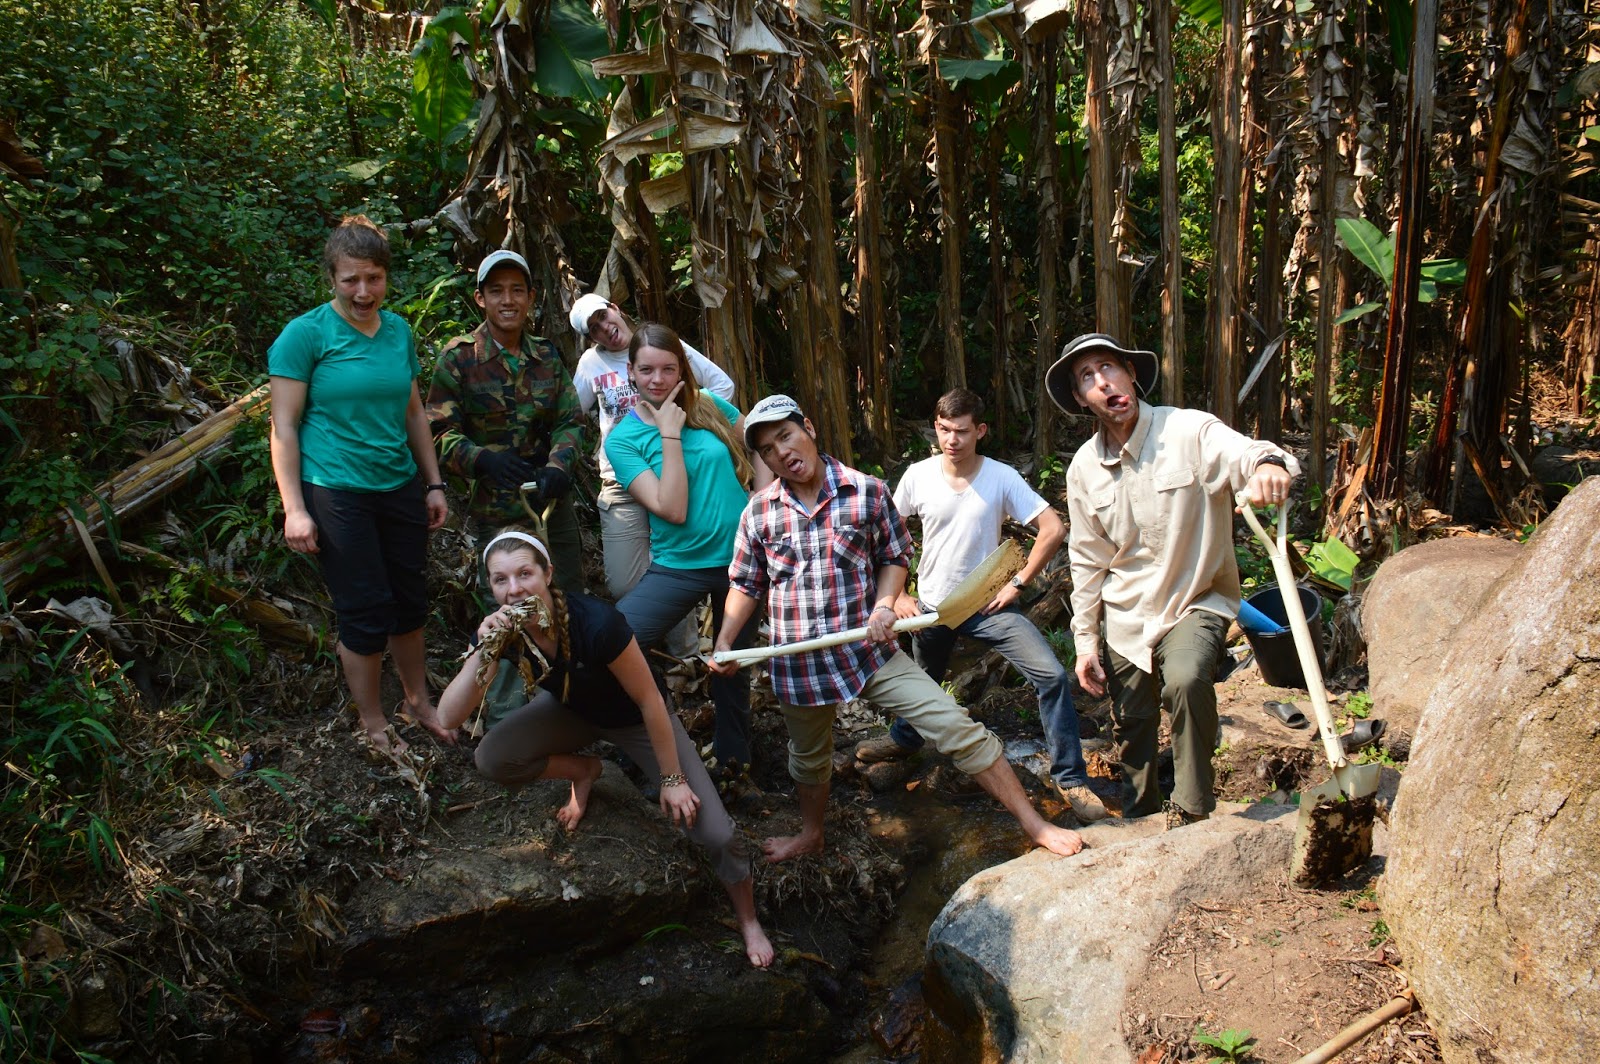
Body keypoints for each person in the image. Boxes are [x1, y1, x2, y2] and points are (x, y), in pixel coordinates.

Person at [709, 395, 1085, 862]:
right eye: (767, 449)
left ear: (807, 427)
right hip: (799, 660)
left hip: (870, 652)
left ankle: (1036, 823)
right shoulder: (759, 512)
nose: (780, 452)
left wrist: (886, 603)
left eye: (785, 435)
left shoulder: (866, 491)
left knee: (957, 727)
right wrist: (725, 641)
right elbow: (745, 585)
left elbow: (893, 555)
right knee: (808, 758)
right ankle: (811, 833)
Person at [436, 531, 773, 967]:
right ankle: (584, 770)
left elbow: (650, 699)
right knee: (493, 757)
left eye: (524, 573)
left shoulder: (596, 621)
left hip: (637, 719)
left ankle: (748, 920)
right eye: (500, 580)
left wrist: (672, 780)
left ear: (548, 574)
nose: (514, 588)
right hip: (572, 710)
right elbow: (447, 717)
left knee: (717, 833)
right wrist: (484, 649)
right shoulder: (507, 629)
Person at [1047, 333, 1300, 827]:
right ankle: (1140, 817)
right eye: (1087, 377)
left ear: (1132, 374)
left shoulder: (1188, 430)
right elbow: (1086, 561)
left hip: (1195, 597)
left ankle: (1191, 813)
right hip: (1125, 614)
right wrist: (1084, 642)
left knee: (1185, 679)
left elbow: (1246, 453)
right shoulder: (1084, 469)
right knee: (1134, 720)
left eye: (1110, 367)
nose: (1104, 383)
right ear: (1080, 399)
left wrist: (1270, 465)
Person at [852, 388, 1107, 823]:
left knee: (1049, 674)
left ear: (980, 431)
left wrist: (1021, 583)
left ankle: (1070, 778)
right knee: (924, 685)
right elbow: (884, 541)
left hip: (987, 606)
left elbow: (1052, 527)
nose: (952, 440)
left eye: (963, 431)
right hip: (931, 607)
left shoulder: (1001, 477)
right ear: (936, 428)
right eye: (945, 430)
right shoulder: (917, 476)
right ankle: (905, 740)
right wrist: (897, 596)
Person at [267, 215, 453, 756]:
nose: (363, 292)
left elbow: (414, 413)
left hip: (396, 483)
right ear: (331, 278)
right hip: (336, 490)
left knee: (409, 600)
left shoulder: (397, 331)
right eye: (351, 280)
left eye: (373, 278)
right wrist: (294, 509)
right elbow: (283, 427)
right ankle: (373, 722)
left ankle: (418, 701)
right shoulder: (304, 336)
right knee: (366, 609)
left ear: (386, 277)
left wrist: (433, 483)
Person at [604, 323, 768, 774]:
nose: (657, 380)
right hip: (680, 566)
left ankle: (736, 763)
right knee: (619, 640)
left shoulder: (709, 405)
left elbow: (760, 440)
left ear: (682, 370)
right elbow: (671, 509)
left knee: (731, 663)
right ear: (631, 373)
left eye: (667, 369)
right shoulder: (623, 440)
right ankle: (646, 746)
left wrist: (763, 495)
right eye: (646, 370)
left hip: (743, 562)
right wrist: (670, 433)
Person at [427, 250, 585, 590]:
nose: (508, 300)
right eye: (497, 290)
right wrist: (484, 460)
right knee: (505, 611)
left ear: (530, 297)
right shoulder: (460, 358)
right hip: (496, 510)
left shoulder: (545, 355)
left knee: (569, 601)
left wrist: (559, 466)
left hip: (550, 503)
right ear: (480, 298)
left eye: (517, 290)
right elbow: (439, 432)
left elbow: (570, 421)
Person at [568, 294, 736, 606]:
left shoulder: (663, 346)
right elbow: (571, 413)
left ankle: (684, 653)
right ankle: (646, 636)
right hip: (622, 478)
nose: (605, 328)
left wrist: (693, 423)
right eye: (594, 328)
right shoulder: (592, 363)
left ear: (615, 308)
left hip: (680, 470)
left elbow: (720, 386)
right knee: (625, 582)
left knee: (681, 565)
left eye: (603, 316)